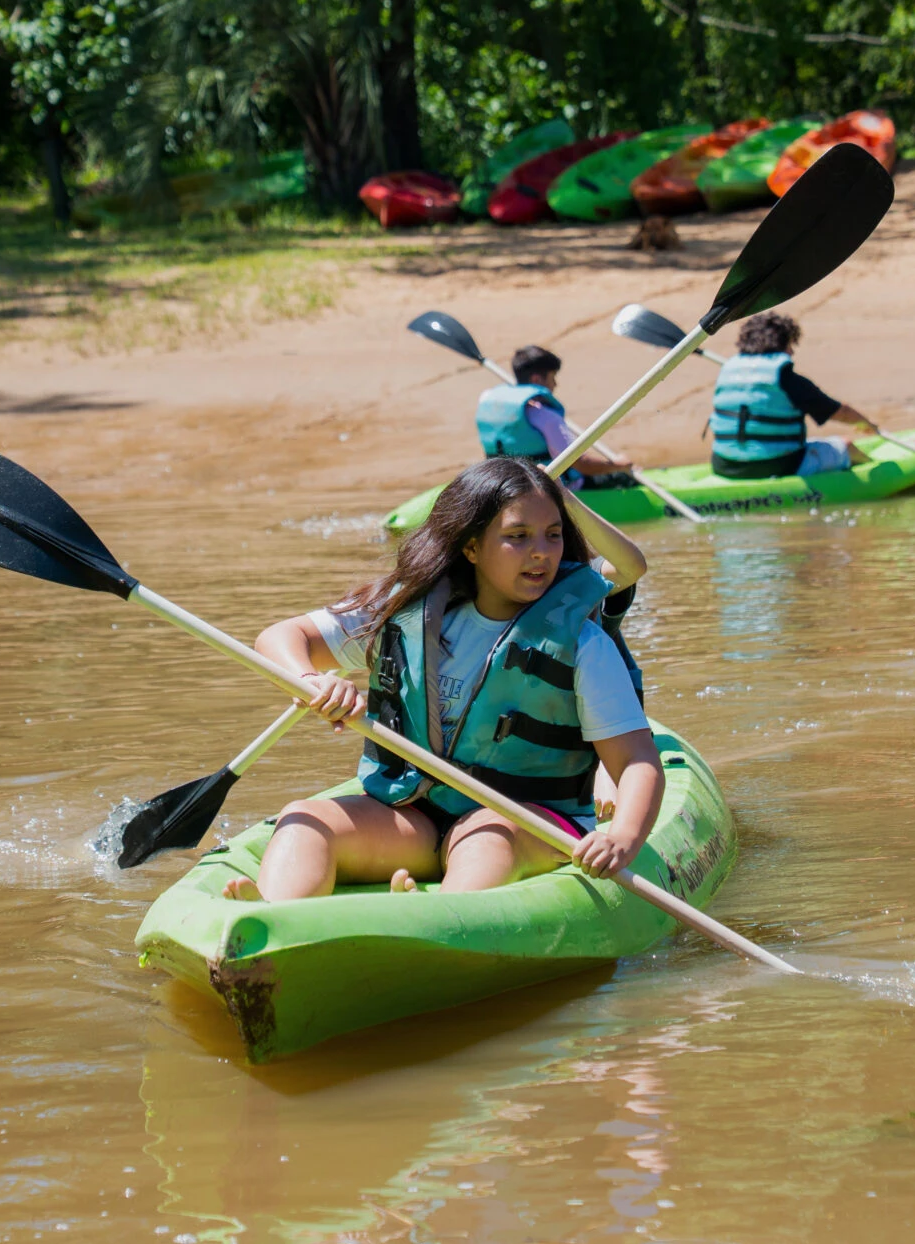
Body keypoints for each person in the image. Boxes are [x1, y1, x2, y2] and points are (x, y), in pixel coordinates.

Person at [225, 457, 660, 901]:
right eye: (517, 537)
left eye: (553, 535)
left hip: (531, 821)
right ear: (471, 547)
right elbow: (279, 637)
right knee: (303, 821)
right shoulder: (409, 612)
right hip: (417, 817)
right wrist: (312, 680)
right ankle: (273, 922)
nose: (541, 553)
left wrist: (622, 837)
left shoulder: (582, 643)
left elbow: (637, 762)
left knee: (486, 835)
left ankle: (432, 923)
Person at [706, 310, 883, 479]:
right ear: (783, 344)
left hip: (725, 465)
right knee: (846, 446)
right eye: (791, 344)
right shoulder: (786, 378)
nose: (792, 352)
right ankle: (878, 475)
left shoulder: (728, 370)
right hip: (780, 465)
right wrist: (867, 424)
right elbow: (838, 412)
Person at [474, 346, 635, 484]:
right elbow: (582, 464)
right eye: (553, 377)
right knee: (622, 478)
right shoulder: (546, 417)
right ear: (537, 379)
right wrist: (617, 464)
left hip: (504, 483)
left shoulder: (491, 404)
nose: (555, 384)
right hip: (551, 488)